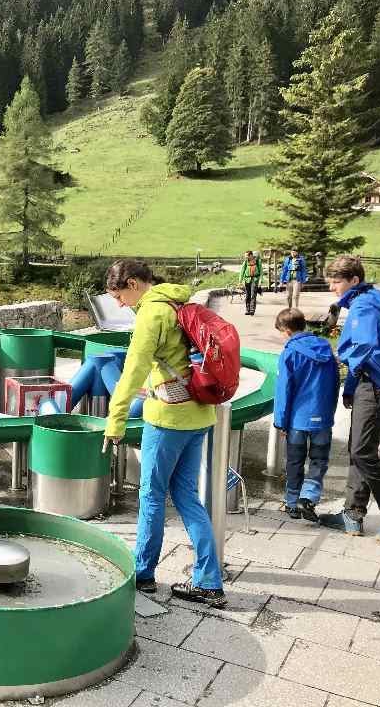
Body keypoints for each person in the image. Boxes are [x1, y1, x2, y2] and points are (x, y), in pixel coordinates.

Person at [101, 259, 226, 608]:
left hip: (168, 418)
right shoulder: (180, 302)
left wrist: (116, 420)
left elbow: (132, 370)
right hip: (200, 413)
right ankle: (209, 582)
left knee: (152, 496)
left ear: (133, 283)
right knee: (186, 496)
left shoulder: (151, 314)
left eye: (120, 296)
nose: (121, 304)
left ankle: (143, 574)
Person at [319, 256, 380, 542]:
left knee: (362, 451)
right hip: (367, 383)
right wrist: (349, 387)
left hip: (377, 386)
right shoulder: (364, 301)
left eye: (337, 282)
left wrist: (338, 358)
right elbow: (362, 354)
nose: (333, 287)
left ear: (354, 281)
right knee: (357, 448)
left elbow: (365, 345)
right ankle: (353, 514)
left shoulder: (364, 305)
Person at [272, 308, 340, 522]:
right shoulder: (326, 349)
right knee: (319, 460)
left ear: (287, 330)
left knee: (294, 461)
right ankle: (308, 496)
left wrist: (280, 422)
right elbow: (335, 383)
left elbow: (283, 391)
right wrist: (329, 412)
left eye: (281, 332)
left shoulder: (289, 353)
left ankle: (292, 503)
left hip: (297, 421)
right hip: (322, 417)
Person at [239, 250, 262, 315]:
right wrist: (240, 281)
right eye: (245, 255)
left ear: (251, 255)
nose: (245, 257)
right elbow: (242, 272)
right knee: (247, 295)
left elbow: (261, 272)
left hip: (255, 279)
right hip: (247, 280)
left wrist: (260, 281)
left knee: (253, 295)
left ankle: (252, 310)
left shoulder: (258, 262)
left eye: (246, 255)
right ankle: (247, 309)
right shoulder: (245, 262)